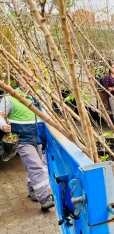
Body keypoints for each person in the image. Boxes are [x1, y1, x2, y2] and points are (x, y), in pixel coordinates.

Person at [0, 76, 55, 211]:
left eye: (33, 80)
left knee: (34, 166)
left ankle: (32, 191)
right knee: (36, 166)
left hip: (38, 138)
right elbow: (0, 115)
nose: (32, 83)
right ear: (20, 81)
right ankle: (44, 198)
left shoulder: (39, 97)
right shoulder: (10, 98)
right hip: (23, 139)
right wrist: (3, 126)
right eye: (28, 80)